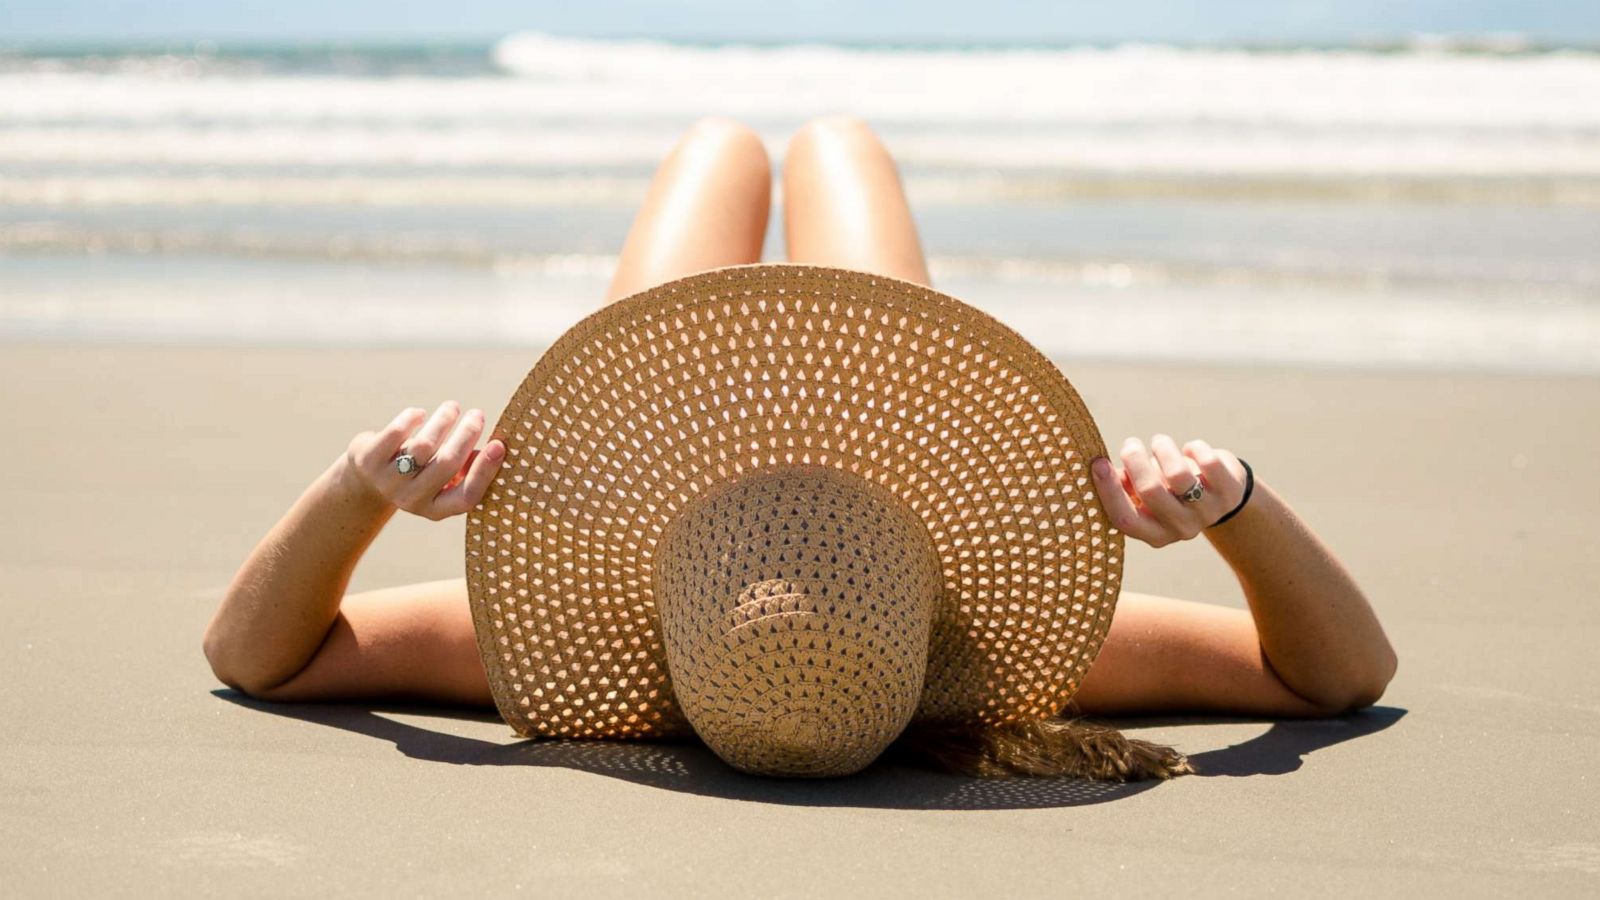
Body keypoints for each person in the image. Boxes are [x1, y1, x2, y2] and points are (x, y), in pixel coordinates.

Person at [201, 116, 1397, 778]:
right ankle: (813, 142)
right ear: (919, 636)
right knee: (837, 147)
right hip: (878, 445)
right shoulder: (967, 651)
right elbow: (1339, 678)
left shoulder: (612, 641)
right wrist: (1235, 503)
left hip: (653, 449)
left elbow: (257, 657)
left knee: (717, 149)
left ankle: (745, 144)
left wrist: (359, 488)